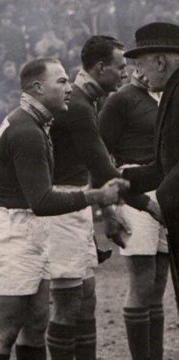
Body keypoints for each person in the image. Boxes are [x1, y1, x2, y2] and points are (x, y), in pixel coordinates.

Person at [0, 57, 129, 360]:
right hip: (11, 231)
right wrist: (95, 196)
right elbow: (42, 201)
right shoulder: (26, 130)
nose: (69, 87)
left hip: (24, 227)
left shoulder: (33, 122)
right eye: (60, 81)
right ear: (36, 88)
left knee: (35, 324)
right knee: (3, 331)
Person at [47, 36, 159, 360]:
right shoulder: (80, 105)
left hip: (77, 201)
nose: (125, 74)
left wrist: (108, 210)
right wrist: (151, 207)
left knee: (86, 300)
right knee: (68, 305)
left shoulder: (89, 100)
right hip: (61, 205)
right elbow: (103, 167)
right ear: (100, 68)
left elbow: (96, 167)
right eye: (120, 67)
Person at [99, 70, 169, 360]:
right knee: (141, 281)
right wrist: (113, 202)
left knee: (159, 284)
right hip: (134, 192)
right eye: (135, 64)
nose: (141, 71)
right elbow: (100, 154)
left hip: (166, 191)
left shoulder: (165, 97)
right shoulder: (121, 100)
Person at [122, 21, 179, 317]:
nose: (138, 73)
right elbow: (164, 165)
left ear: (160, 61)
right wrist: (121, 182)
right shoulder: (169, 93)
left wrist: (165, 202)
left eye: (140, 64)